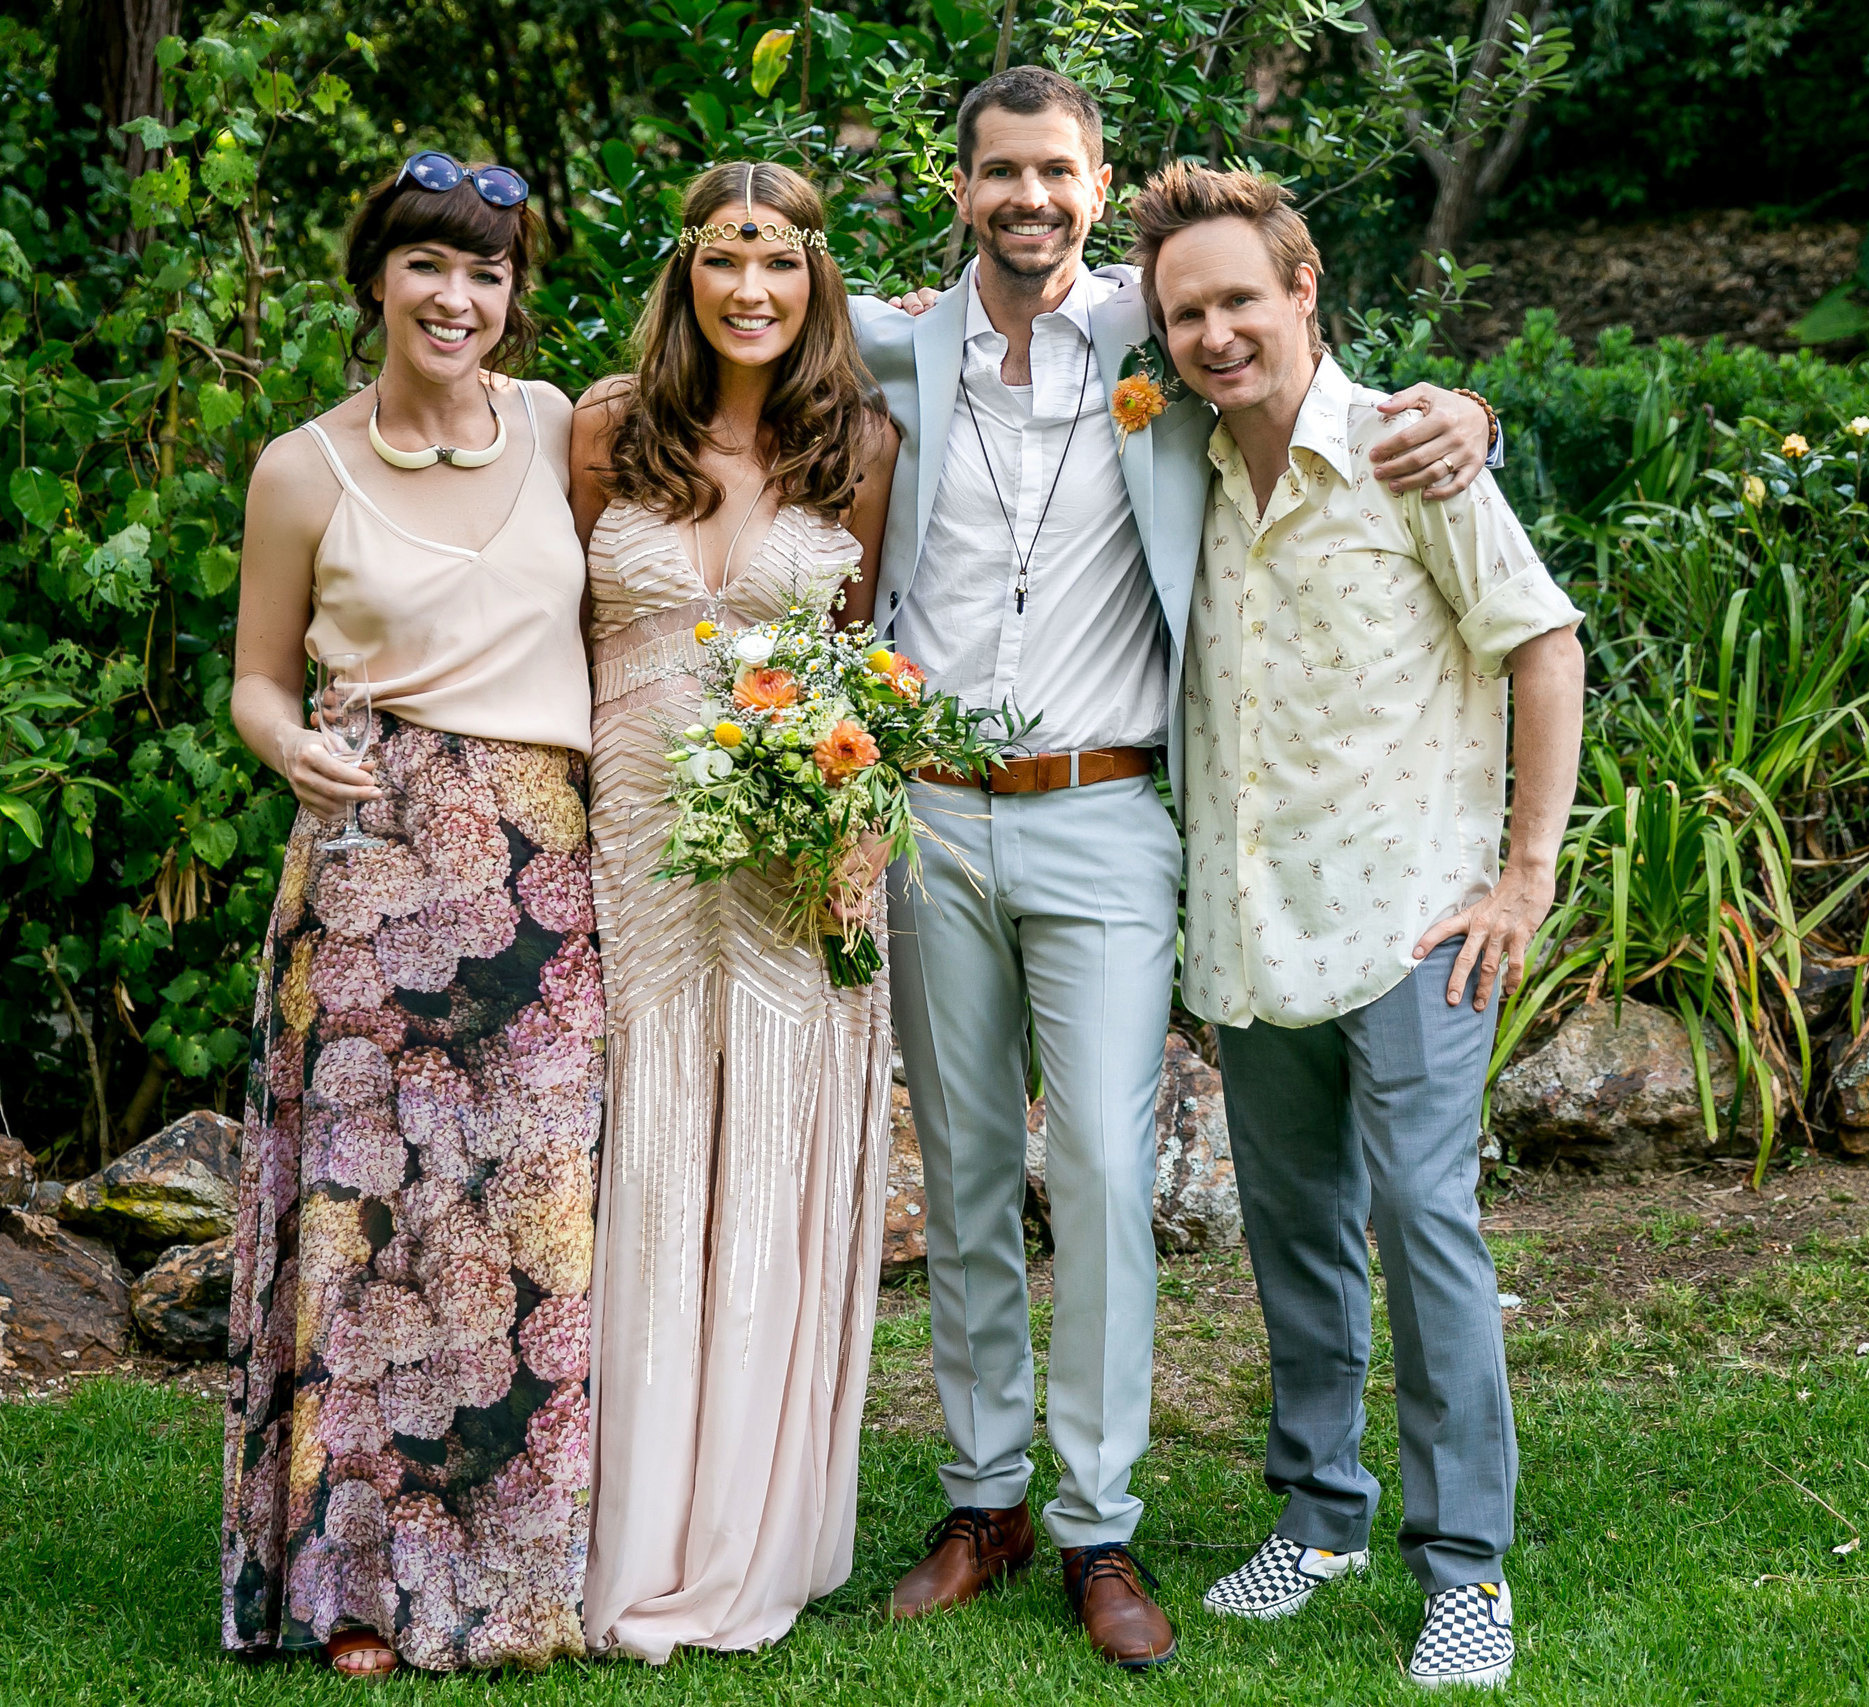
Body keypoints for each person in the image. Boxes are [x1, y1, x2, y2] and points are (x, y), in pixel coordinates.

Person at [847, 66, 1497, 1671]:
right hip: (931, 811)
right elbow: (722, 317)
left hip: (1110, 816)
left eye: (1055, 172)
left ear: (1095, 177)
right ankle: (983, 1496)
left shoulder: (1161, 326)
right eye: (999, 172)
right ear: (959, 188)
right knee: (974, 1172)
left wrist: (1470, 411)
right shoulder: (898, 343)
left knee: (1111, 1187)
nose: (1028, 198)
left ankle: (1097, 1523)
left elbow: (1291, 339)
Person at [1134, 163, 1585, 1690]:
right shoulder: (1175, 463)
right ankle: (1320, 1513)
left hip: (1413, 926)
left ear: (1304, 288)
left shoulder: (1412, 452)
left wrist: (1523, 880)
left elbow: (1544, 644)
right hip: (1255, 928)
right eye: (1186, 310)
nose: (1213, 333)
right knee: (1297, 1238)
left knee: (1426, 1230)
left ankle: (1467, 1569)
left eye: (1239, 300)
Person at [220, 153, 599, 1679]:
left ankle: (515, 1584)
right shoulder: (299, 467)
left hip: (542, 875)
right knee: (372, 1240)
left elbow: (742, 389)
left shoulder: (567, 425)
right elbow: (256, 672)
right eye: (432, 267)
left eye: (490, 273)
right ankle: (361, 1589)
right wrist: (279, 739)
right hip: (371, 877)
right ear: (377, 277)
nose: (461, 298)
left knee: (528, 1241)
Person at [569, 161, 902, 1661]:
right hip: (627, 860)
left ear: (817, 279)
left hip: (790, 873)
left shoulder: (862, 452)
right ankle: (611, 1525)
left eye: (778, 264)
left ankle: (749, 1532)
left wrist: (852, 841)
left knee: (764, 1166)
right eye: (723, 262)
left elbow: (862, 669)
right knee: (636, 1178)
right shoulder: (601, 433)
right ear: (685, 275)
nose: (751, 291)